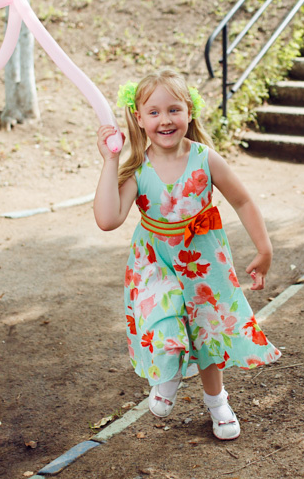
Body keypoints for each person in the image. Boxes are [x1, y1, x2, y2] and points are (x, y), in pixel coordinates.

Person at [94, 68, 281, 441]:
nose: (165, 119)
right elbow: (107, 219)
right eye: (154, 112)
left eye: (174, 109)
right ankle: (169, 374)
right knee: (162, 319)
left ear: (190, 112)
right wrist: (110, 160)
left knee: (206, 332)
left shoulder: (204, 158)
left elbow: (242, 200)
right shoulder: (137, 169)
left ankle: (218, 404)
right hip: (155, 260)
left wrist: (264, 248)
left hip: (204, 260)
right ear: (139, 118)